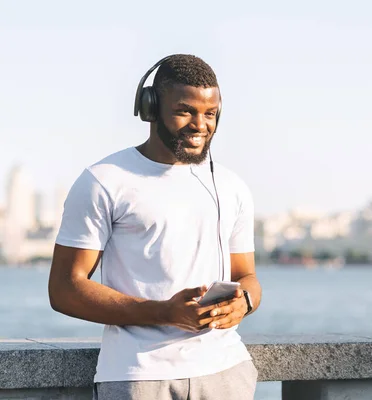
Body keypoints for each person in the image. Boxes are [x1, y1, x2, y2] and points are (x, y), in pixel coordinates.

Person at [48, 54, 261, 400]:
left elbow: (247, 276)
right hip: (139, 377)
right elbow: (64, 289)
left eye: (210, 113)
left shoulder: (232, 186)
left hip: (226, 373)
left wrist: (246, 302)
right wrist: (164, 312)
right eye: (185, 111)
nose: (200, 124)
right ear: (151, 107)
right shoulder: (103, 181)